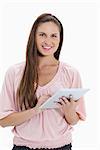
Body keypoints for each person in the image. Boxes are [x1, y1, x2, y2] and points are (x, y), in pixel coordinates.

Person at [0, 13, 86, 150]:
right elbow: (3, 121)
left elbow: (74, 120)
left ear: (60, 39)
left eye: (54, 36)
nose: (48, 41)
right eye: (42, 35)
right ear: (34, 36)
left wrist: (69, 111)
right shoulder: (15, 72)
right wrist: (36, 110)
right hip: (23, 147)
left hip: (62, 146)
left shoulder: (71, 73)